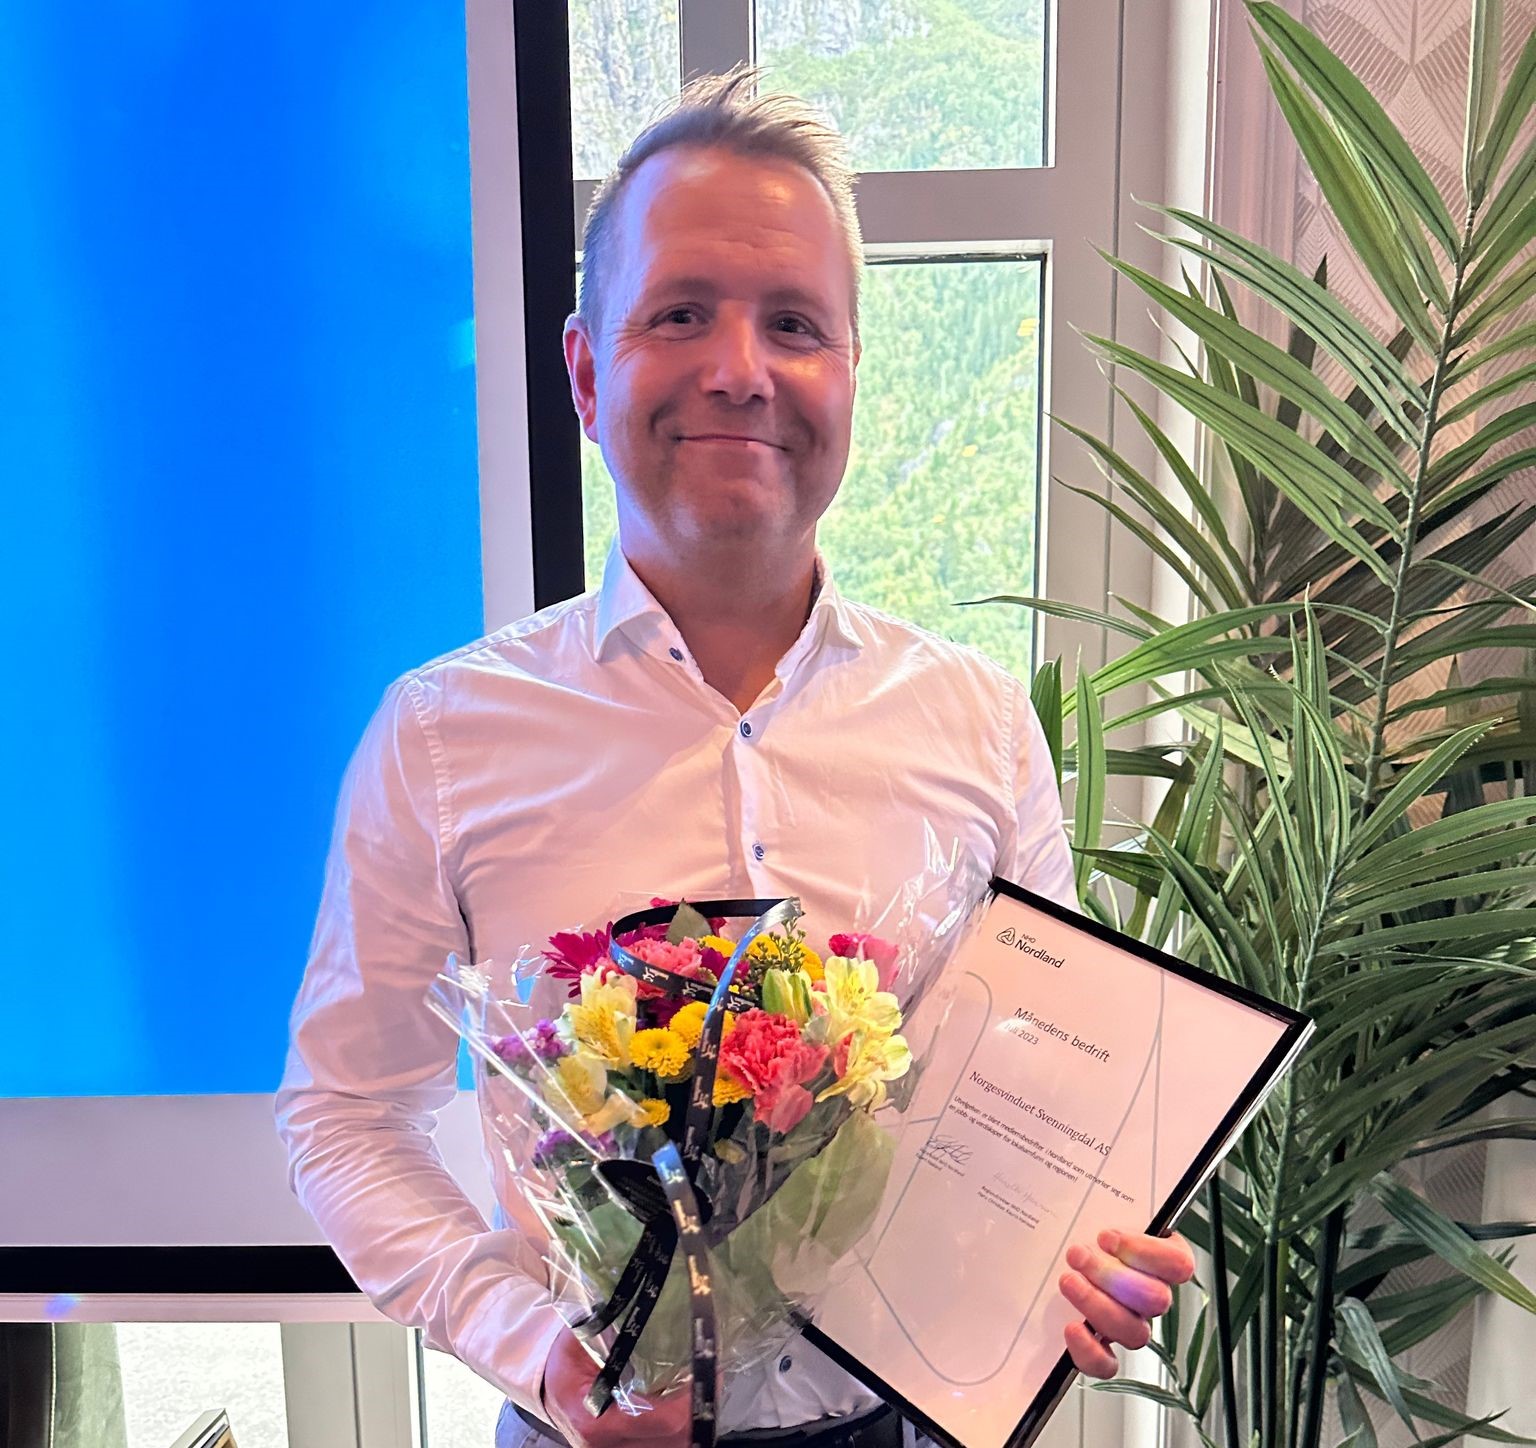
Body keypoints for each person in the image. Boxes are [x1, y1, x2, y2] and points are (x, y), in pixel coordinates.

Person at [277, 70, 1193, 1448]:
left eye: (795, 324)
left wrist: (1096, 1250)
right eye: (680, 313)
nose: (740, 370)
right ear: (586, 371)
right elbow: (345, 1117)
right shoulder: (441, 738)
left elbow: (1042, 1098)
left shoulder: (979, 724)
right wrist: (544, 1356)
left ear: (851, 375)